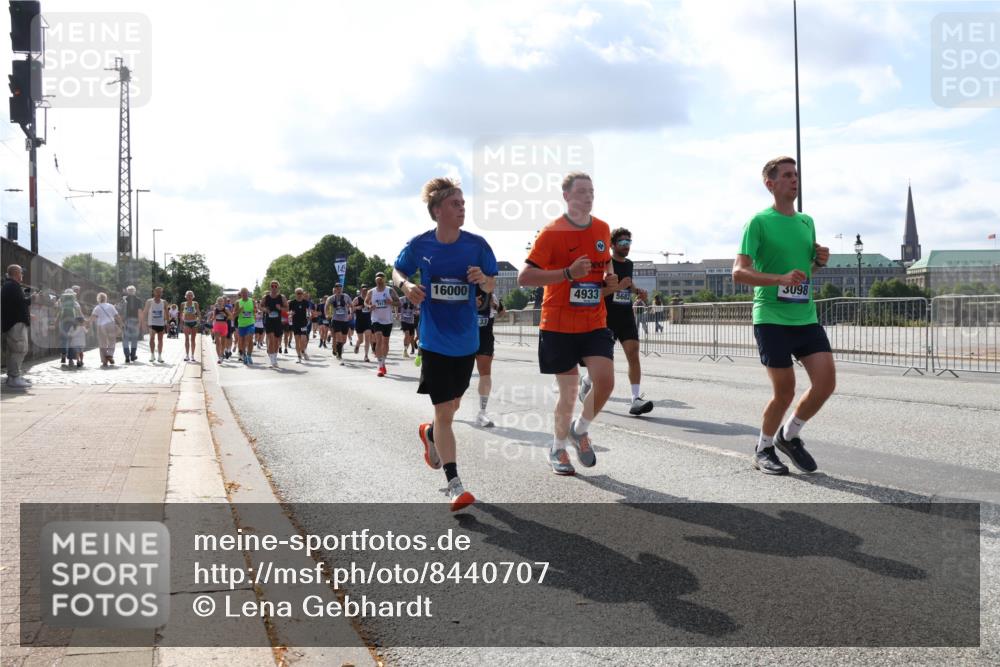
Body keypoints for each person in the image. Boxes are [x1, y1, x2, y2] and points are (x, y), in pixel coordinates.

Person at [393, 176, 497, 510]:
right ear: (437, 210)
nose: (462, 207)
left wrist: (483, 280)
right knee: (445, 411)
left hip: (466, 340)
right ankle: (455, 484)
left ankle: (430, 434)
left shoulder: (477, 245)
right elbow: (397, 271)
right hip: (434, 341)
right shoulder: (420, 245)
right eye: (455, 203)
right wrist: (406, 286)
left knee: (450, 409)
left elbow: (493, 285)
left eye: (464, 203)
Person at [733, 156, 833, 476]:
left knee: (825, 383)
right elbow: (739, 272)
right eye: (787, 175)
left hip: (804, 316)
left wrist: (818, 263)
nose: (794, 180)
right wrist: (778, 279)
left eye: (796, 175)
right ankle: (763, 448)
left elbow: (804, 275)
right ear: (770, 184)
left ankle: (788, 436)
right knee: (785, 390)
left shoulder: (806, 222)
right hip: (771, 318)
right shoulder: (758, 222)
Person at [518, 171, 616, 476]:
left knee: (606, 381)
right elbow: (525, 277)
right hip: (558, 323)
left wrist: (610, 279)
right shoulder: (552, 233)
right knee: (570, 392)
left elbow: (604, 267)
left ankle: (580, 429)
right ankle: (558, 448)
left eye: (592, 191)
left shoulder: (602, 228)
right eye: (582, 192)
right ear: (566, 197)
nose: (588, 196)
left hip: (593, 320)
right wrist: (568, 274)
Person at [580, 228, 654, 416]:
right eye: (622, 243)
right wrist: (618, 287)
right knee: (604, 361)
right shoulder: (605, 264)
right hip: (607, 317)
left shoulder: (629, 264)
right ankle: (587, 381)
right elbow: (599, 292)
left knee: (633, 352)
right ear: (612, 245)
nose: (626, 246)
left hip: (626, 316)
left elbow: (628, 283)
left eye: (629, 242)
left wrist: (638, 291)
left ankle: (635, 400)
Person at [473, 287, 504, 427]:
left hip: (485, 338)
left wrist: (494, 305)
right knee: (457, 375)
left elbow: (503, 313)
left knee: (485, 374)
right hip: (463, 337)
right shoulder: (465, 291)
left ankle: (482, 412)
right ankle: (447, 406)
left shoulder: (491, 294)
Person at [1, 264, 32, 388]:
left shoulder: (10, 286)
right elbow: (21, 303)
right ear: (15, 273)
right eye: (21, 273)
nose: (22, 275)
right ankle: (14, 377)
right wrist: (33, 298)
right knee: (20, 349)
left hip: (13, 323)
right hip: (16, 324)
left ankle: (12, 377)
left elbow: (18, 304)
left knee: (14, 350)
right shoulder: (12, 286)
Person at [366, 272, 399, 377]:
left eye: (381, 278)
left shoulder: (390, 290)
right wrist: (369, 306)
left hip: (388, 320)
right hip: (376, 319)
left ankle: (383, 362)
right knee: (379, 340)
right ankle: (380, 366)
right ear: (375, 280)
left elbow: (399, 303)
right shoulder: (371, 292)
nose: (379, 280)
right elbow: (365, 302)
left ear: (384, 279)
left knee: (386, 342)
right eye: (377, 278)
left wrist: (391, 303)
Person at [89, 292, 123, 367]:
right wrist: (121, 324)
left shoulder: (97, 307)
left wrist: (88, 324)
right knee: (112, 341)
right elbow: (117, 316)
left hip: (100, 326)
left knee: (102, 343)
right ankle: (110, 355)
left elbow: (92, 318)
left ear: (98, 299)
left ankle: (104, 360)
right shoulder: (110, 306)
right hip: (110, 325)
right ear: (106, 298)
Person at [261, 280, 288, 367]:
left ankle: (274, 357)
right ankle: (273, 361)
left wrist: (280, 308)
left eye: (275, 286)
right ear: (270, 287)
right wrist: (265, 309)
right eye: (272, 286)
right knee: (271, 340)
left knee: (276, 342)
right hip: (269, 321)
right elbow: (260, 306)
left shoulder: (282, 297)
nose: (274, 288)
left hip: (278, 322)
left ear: (278, 287)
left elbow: (287, 309)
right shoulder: (266, 297)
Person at [325, 283, 353, 365]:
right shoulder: (331, 298)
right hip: (336, 320)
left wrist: (350, 314)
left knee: (343, 340)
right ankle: (339, 356)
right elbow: (326, 306)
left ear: (342, 289)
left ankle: (338, 349)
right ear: (335, 289)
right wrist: (326, 314)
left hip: (345, 320)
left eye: (340, 288)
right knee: (339, 338)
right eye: (337, 288)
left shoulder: (346, 296)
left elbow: (351, 305)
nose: (339, 290)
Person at [57, 287, 83, 365]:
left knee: (64, 339)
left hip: (63, 321)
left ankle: (63, 354)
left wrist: (55, 322)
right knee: (72, 340)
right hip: (73, 321)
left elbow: (59, 312)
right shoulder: (75, 303)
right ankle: (71, 359)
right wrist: (83, 321)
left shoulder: (61, 302)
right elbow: (79, 312)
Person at [142, 287, 168, 362]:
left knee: (160, 340)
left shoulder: (164, 302)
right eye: (157, 292)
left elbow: (166, 313)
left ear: (162, 293)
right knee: (152, 339)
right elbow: (145, 312)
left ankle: (160, 356)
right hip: (152, 323)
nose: (159, 293)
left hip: (161, 323)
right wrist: (144, 322)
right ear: (154, 292)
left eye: (160, 292)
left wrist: (167, 323)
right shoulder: (149, 301)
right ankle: (152, 355)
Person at [289, 288, 313, 363]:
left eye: (300, 293)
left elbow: (308, 311)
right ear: (295, 294)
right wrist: (290, 314)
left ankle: (303, 351)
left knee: (303, 339)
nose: (299, 295)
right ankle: (299, 357)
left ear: (302, 294)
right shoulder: (292, 302)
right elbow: (289, 311)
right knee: (297, 341)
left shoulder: (305, 302)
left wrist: (309, 315)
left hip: (303, 323)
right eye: (298, 293)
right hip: (295, 323)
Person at [119, 286, 143, 363]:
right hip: (135, 321)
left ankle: (127, 356)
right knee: (134, 339)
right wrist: (140, 323)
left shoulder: (124, 300)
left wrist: (121, 323)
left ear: (127, 291)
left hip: (126, 321)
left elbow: (121, 312)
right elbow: (139, 312)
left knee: (125, 339)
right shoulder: (138, 300)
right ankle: (133, 356)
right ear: (134, 291)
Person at [353, 285, 373, 362]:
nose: (365, 291)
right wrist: (357, 308)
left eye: (366, 290)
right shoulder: (357, 299)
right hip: (359, 321)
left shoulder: (370, 299)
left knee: (367, 338)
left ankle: (366, 356)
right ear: (361, 290)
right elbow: (351, 307)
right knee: (361, 340)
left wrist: (372, 308)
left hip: (367, 321)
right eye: (363, 290)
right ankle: (357, 345)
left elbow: (373, 308)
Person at [180, 291, 201, 362]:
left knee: (193, 339)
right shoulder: (183, 304)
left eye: (191, 295)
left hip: (194, 322)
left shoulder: (195, 303)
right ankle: (187, 355)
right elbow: (181, 314)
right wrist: (181, 323)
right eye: (188, 295)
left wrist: (199, 320)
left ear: (193, 296)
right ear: (185, 296)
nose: (189, 297)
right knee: (186, 339)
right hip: (186, 322)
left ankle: (192, 355)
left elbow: (198, 312)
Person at [210, 297, 232, 364]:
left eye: (221, 301)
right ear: (217, 302)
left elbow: (231, 317)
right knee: (217, 342)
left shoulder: (226, 309)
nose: (220, 302)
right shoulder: (215, 309)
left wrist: (225, 315)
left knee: (223, 343)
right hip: (217, 325)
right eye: (219, 301)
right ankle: (219, 357)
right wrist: (211, 319)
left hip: (224, 326)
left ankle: (222, 354)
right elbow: (213, 318)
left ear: (223, 302)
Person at [399, 294, 417, 358]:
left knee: (410, 337)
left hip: (411, 320)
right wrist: (396, 313)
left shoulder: (414, 299)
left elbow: (416, 308)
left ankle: (406, 349)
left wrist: (416, 311)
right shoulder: (401, 299)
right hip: (403, 320)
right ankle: (405, 349)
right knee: (407, 334)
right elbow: (395, 304)